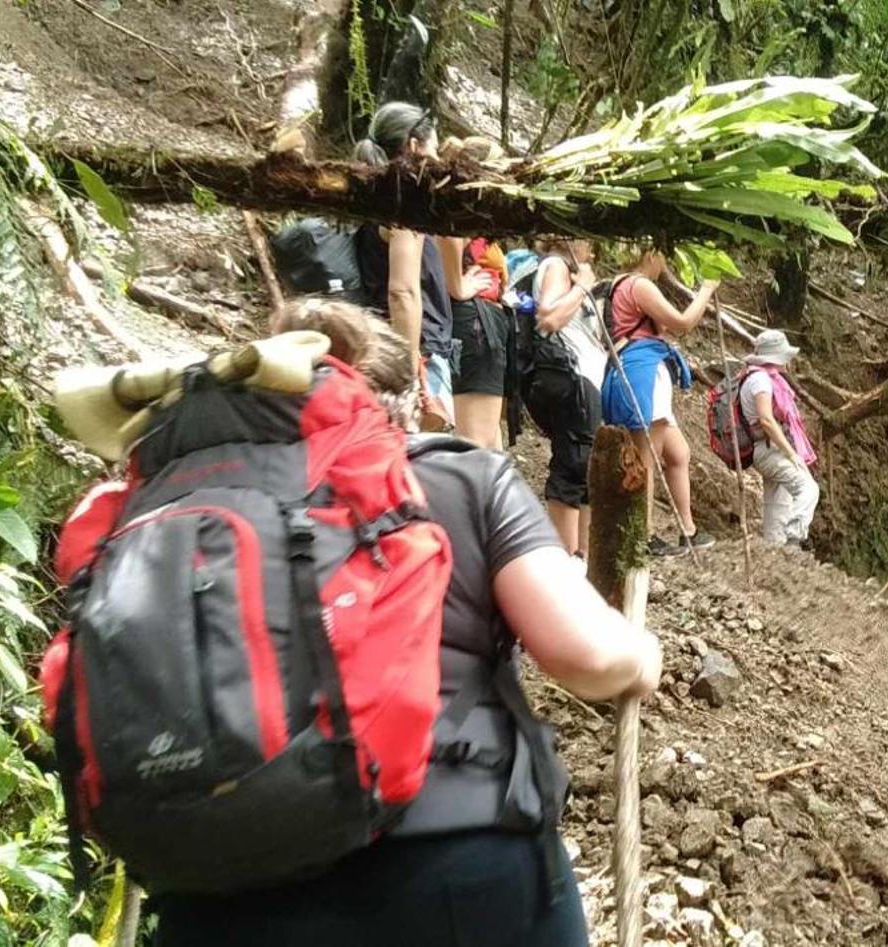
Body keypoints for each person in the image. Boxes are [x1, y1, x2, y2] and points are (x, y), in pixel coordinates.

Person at [148, 297, 663, 947]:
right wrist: (643, 655)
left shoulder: (183, 501)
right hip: (451, 858)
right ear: (416, 392)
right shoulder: (460, 475)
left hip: (216, 888)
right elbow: (585, 655)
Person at [601, 246, 721, 555]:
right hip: (644, 372)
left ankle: (688, 529)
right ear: (650, 254)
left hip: (640, 368)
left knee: (678, 452)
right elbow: (681, 323)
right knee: (647, 457)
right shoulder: (638, 284)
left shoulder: (620, 285)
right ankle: (644, 535)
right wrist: (706, 290)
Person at [353, 101, 460, 431]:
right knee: (422, 459)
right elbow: (403, 291)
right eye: (434, 146)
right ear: (415, 146)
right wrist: (410, 374)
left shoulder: (374, 196)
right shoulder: (404, 205)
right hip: (414, 352)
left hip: (381, 345)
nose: (438, 158)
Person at [515, 238, 609, 558]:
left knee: (584, 467)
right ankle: (565, 556)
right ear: (566, 239)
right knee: (574, 462)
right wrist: (582, 287)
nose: (592, 250)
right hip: (571, 377)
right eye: (587, 242)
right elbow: (549, 317)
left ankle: (582, 555)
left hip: (583, 379)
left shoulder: (566, 272)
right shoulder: (556, 265)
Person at [737, 330, 821, 547]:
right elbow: (766, 419)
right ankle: (793, 538)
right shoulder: (760, 380)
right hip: (768, 449)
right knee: (808, 489)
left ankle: (775, 551)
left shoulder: (759, 377)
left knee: (777, 504)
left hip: (768, 449)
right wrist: (791, 453)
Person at [448, 237, 511, 449]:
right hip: (476, 322)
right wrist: (457, 286)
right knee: (476, 444)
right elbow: (448, 234)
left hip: (482, 320)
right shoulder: (465, 215)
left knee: (489, 443)